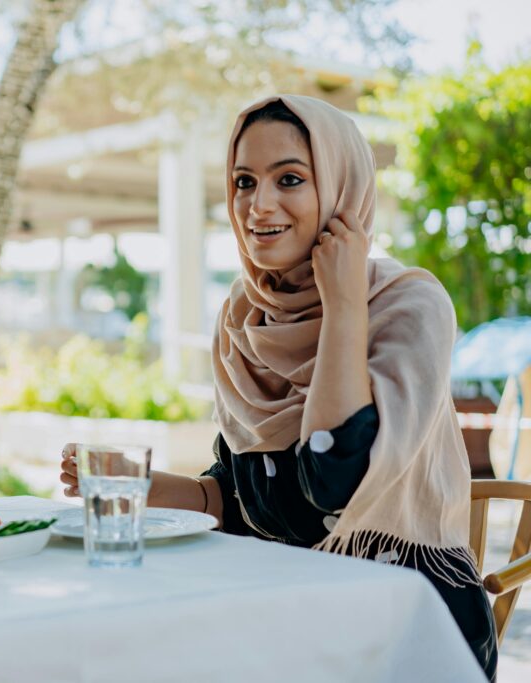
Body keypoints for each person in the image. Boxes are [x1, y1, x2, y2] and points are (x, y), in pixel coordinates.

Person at [60, 95, 497, 679]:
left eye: (289, 179)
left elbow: (334, 482)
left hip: (403, 617)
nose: (257, 205)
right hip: (286, 605)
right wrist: (135, 482)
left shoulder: (407, 307)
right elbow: (241, 502)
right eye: (243, 182)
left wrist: (344, 305)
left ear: (342, 191)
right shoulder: (245, 320)